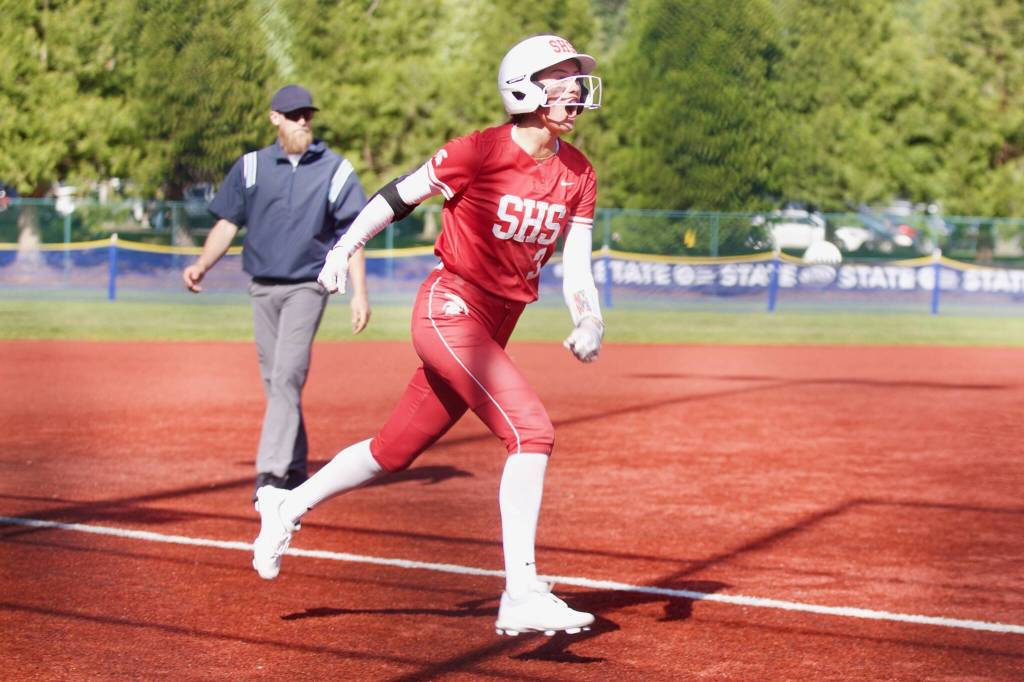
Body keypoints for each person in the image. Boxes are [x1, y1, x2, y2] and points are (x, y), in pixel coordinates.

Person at [252, 35, 605, 637]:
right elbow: (398, 194)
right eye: (560, 75)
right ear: (523, 87)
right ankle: (519, 590)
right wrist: (343, 248)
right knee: (532, 431)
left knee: (394, 449)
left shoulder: (578, 172)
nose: (574, 86)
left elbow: (577, 267)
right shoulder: (479, 151)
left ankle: (287, 503)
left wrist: (590, 317)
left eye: (576, 75)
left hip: (493, 326)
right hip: (449, 310)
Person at [182, 84, 371, 500]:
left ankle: (270, 475)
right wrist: (202, 264)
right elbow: (228, 223)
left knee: (287, 374)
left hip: (309, 285)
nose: (302, 121)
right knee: (276, 382)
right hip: (262, 286)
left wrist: (359, 293)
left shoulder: (335, 170)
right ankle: (296, 467)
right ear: (275, 118)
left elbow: (353, 233)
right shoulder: (251, 167)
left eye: (307, 114)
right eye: (293, 114)